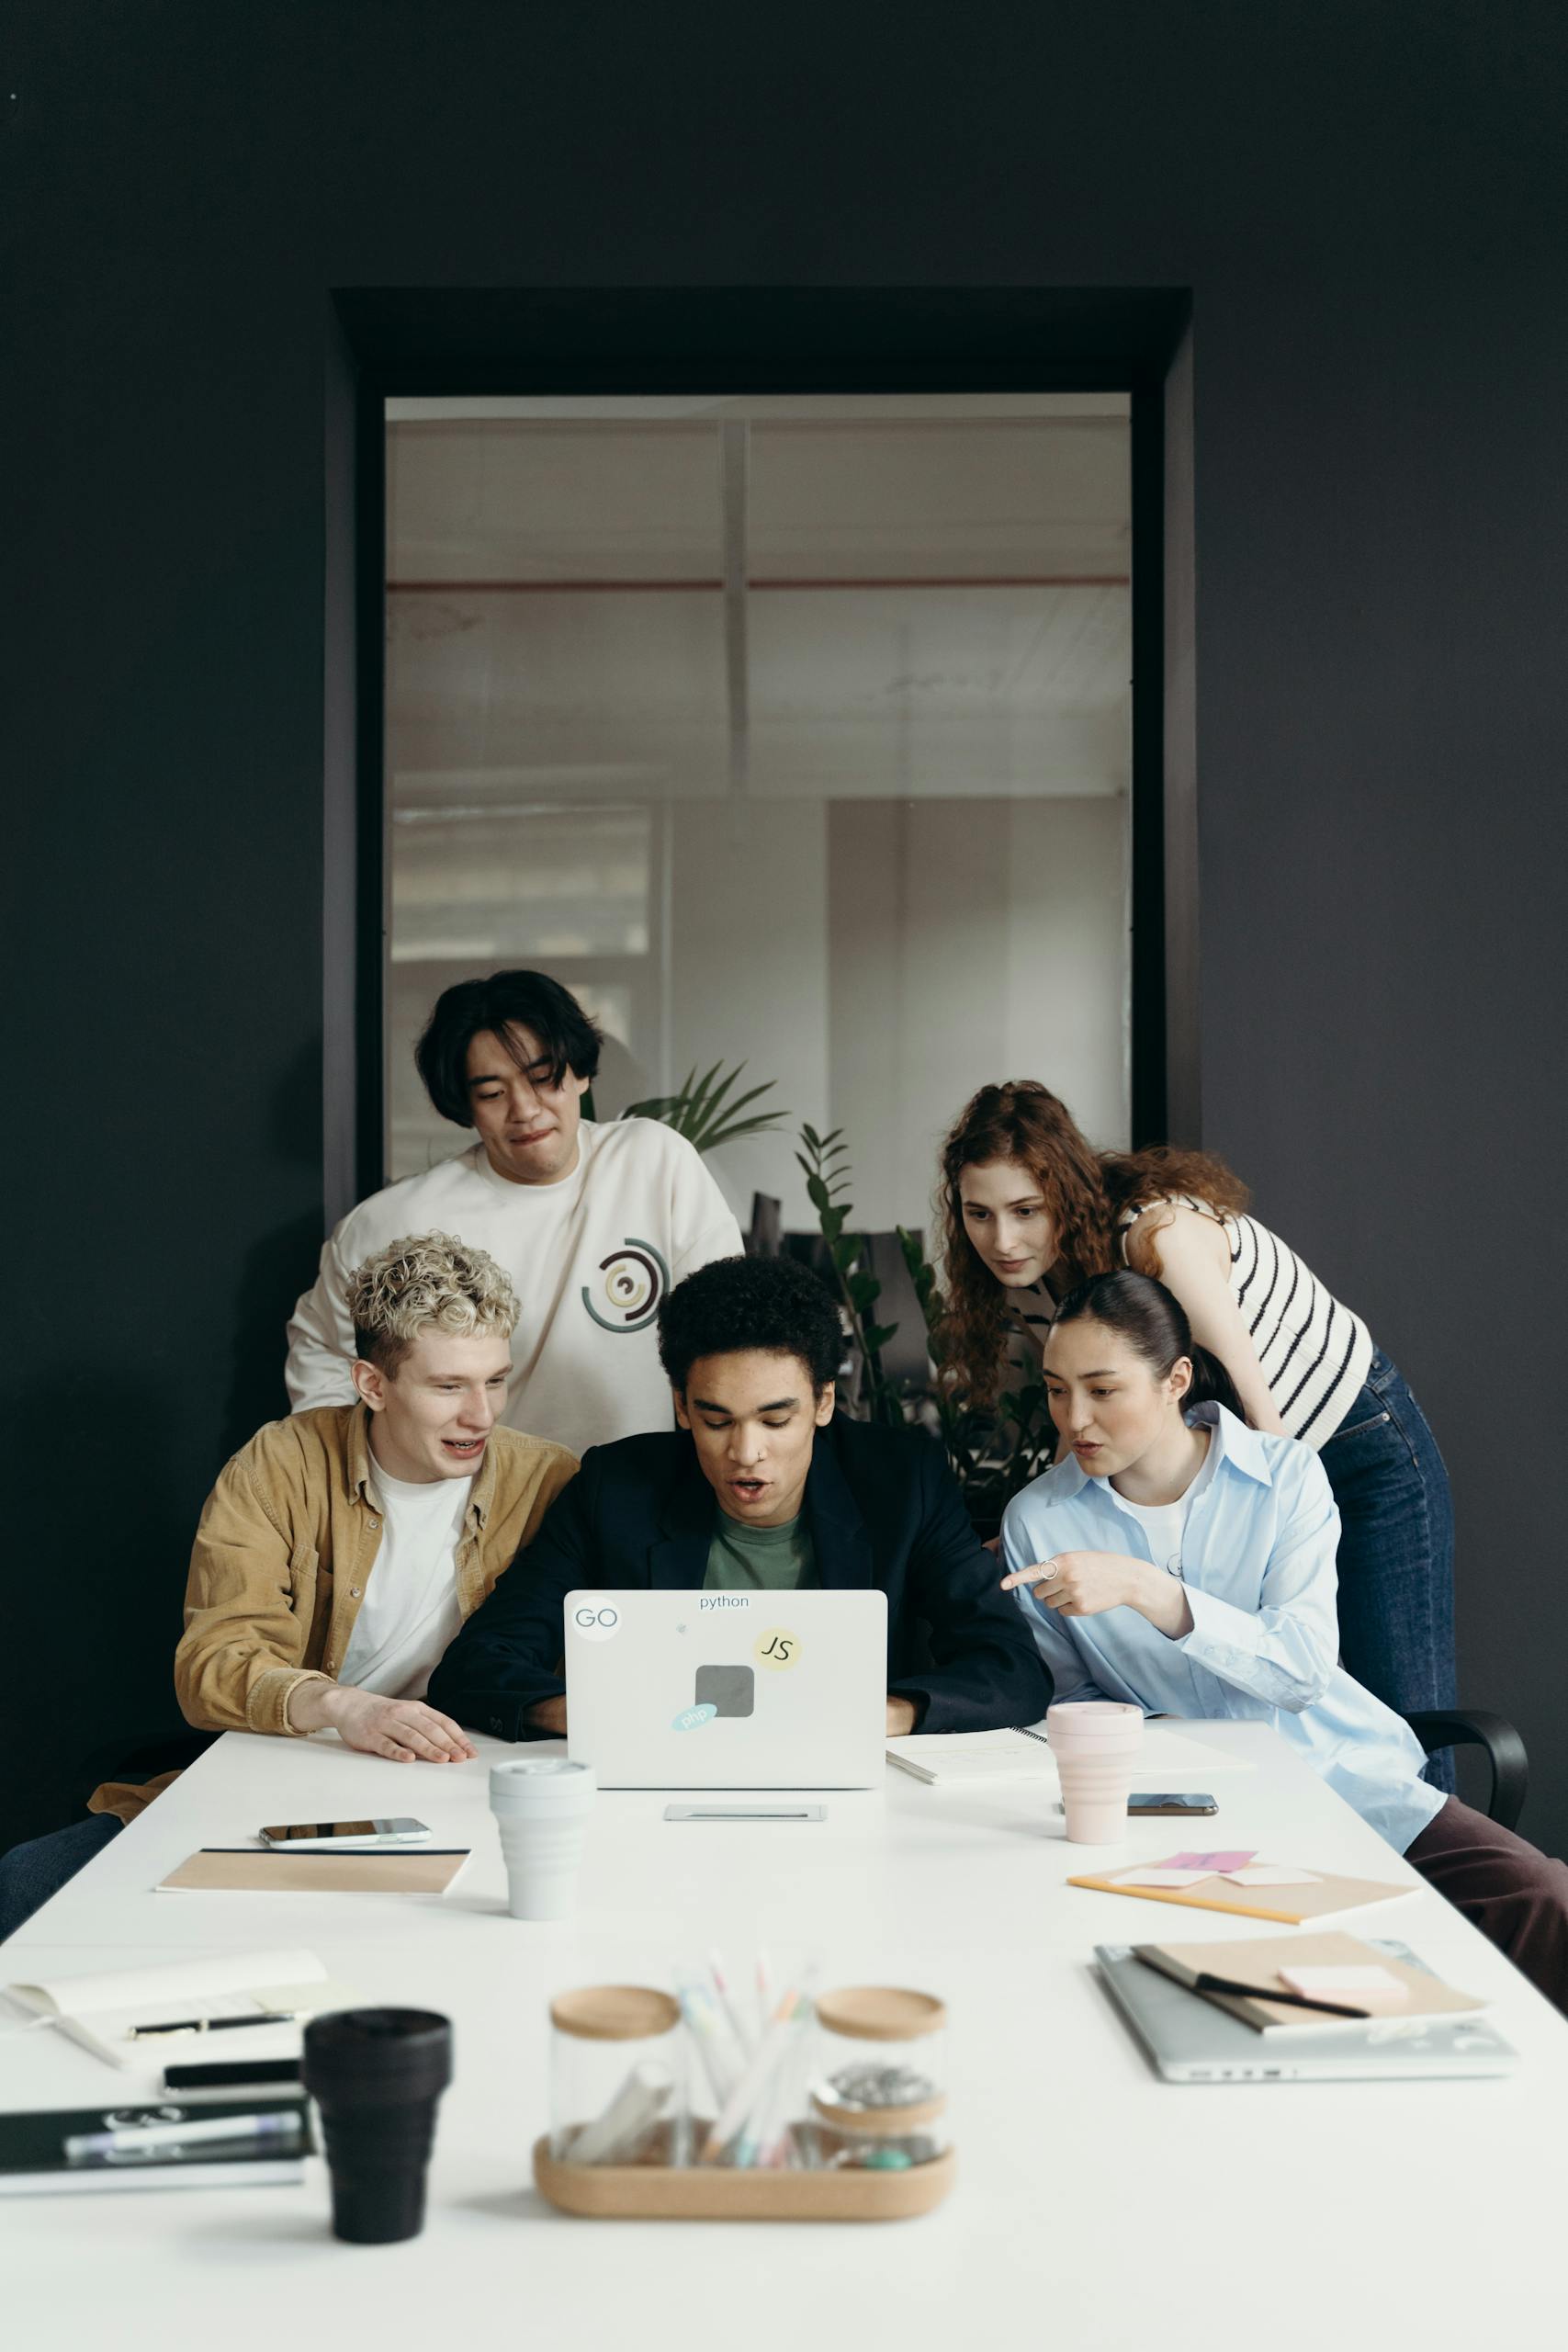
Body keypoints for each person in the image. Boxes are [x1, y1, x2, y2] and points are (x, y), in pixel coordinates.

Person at [999, 1271, 1568, 2013]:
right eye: (1055, 1389)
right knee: (1258, 1987)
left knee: (1541, 1896)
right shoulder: (1037, 1521)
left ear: (1174, 1380)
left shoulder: (1285, 1476)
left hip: (1341, 1782)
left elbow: (1300, 1669)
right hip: (1178, 1820)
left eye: (1103, 1391)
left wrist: (1148, 1590)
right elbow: (1071, 1698)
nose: (1075, 1418)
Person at [0, 1234, 576, 1944]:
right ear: (372, 1384)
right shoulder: (280, 1463)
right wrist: (342, 1706)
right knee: (24, 1886)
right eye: (448, 1386)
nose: (481, 1415)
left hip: (471, 1786)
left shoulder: (549, 1479)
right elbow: (211, 1663)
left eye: (495, 1380)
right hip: (289, 1771)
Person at [937, 1079, 1456, 1770]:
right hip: (1254, 1447)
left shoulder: (1158, 1236)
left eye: (1025, 1209)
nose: (1001, 1239)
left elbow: (1260, 1424)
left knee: (1395, 1710)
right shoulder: (1033, 1283)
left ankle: (1429, 1861)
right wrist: (1037, 1522)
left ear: (1064, 1191)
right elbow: (1088, 1412)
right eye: (978, 1213)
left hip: (1352, 1438)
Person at [428, 1253, 1050, 1741]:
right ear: (681, 1409)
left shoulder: (899, 1481)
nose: (745, 1452)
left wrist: (889, 1712)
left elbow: (1009, 1666)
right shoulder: (616, 1487)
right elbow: (477, 1665)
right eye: (716, 1420)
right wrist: (591, 1714)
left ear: (824, 1404)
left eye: (775, 1421)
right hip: (661, 1779)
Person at [286, 969, 744, 1453]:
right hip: (482, 1506)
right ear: (465, 1105)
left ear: (580, 1074)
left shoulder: (655, 1161)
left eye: (544, 1079)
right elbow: (324, 1352)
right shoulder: (399, 1220)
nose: (524, 1109)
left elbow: (730, 1328)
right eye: (491, 1093)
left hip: (635, 1497)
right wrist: (352, 1479)